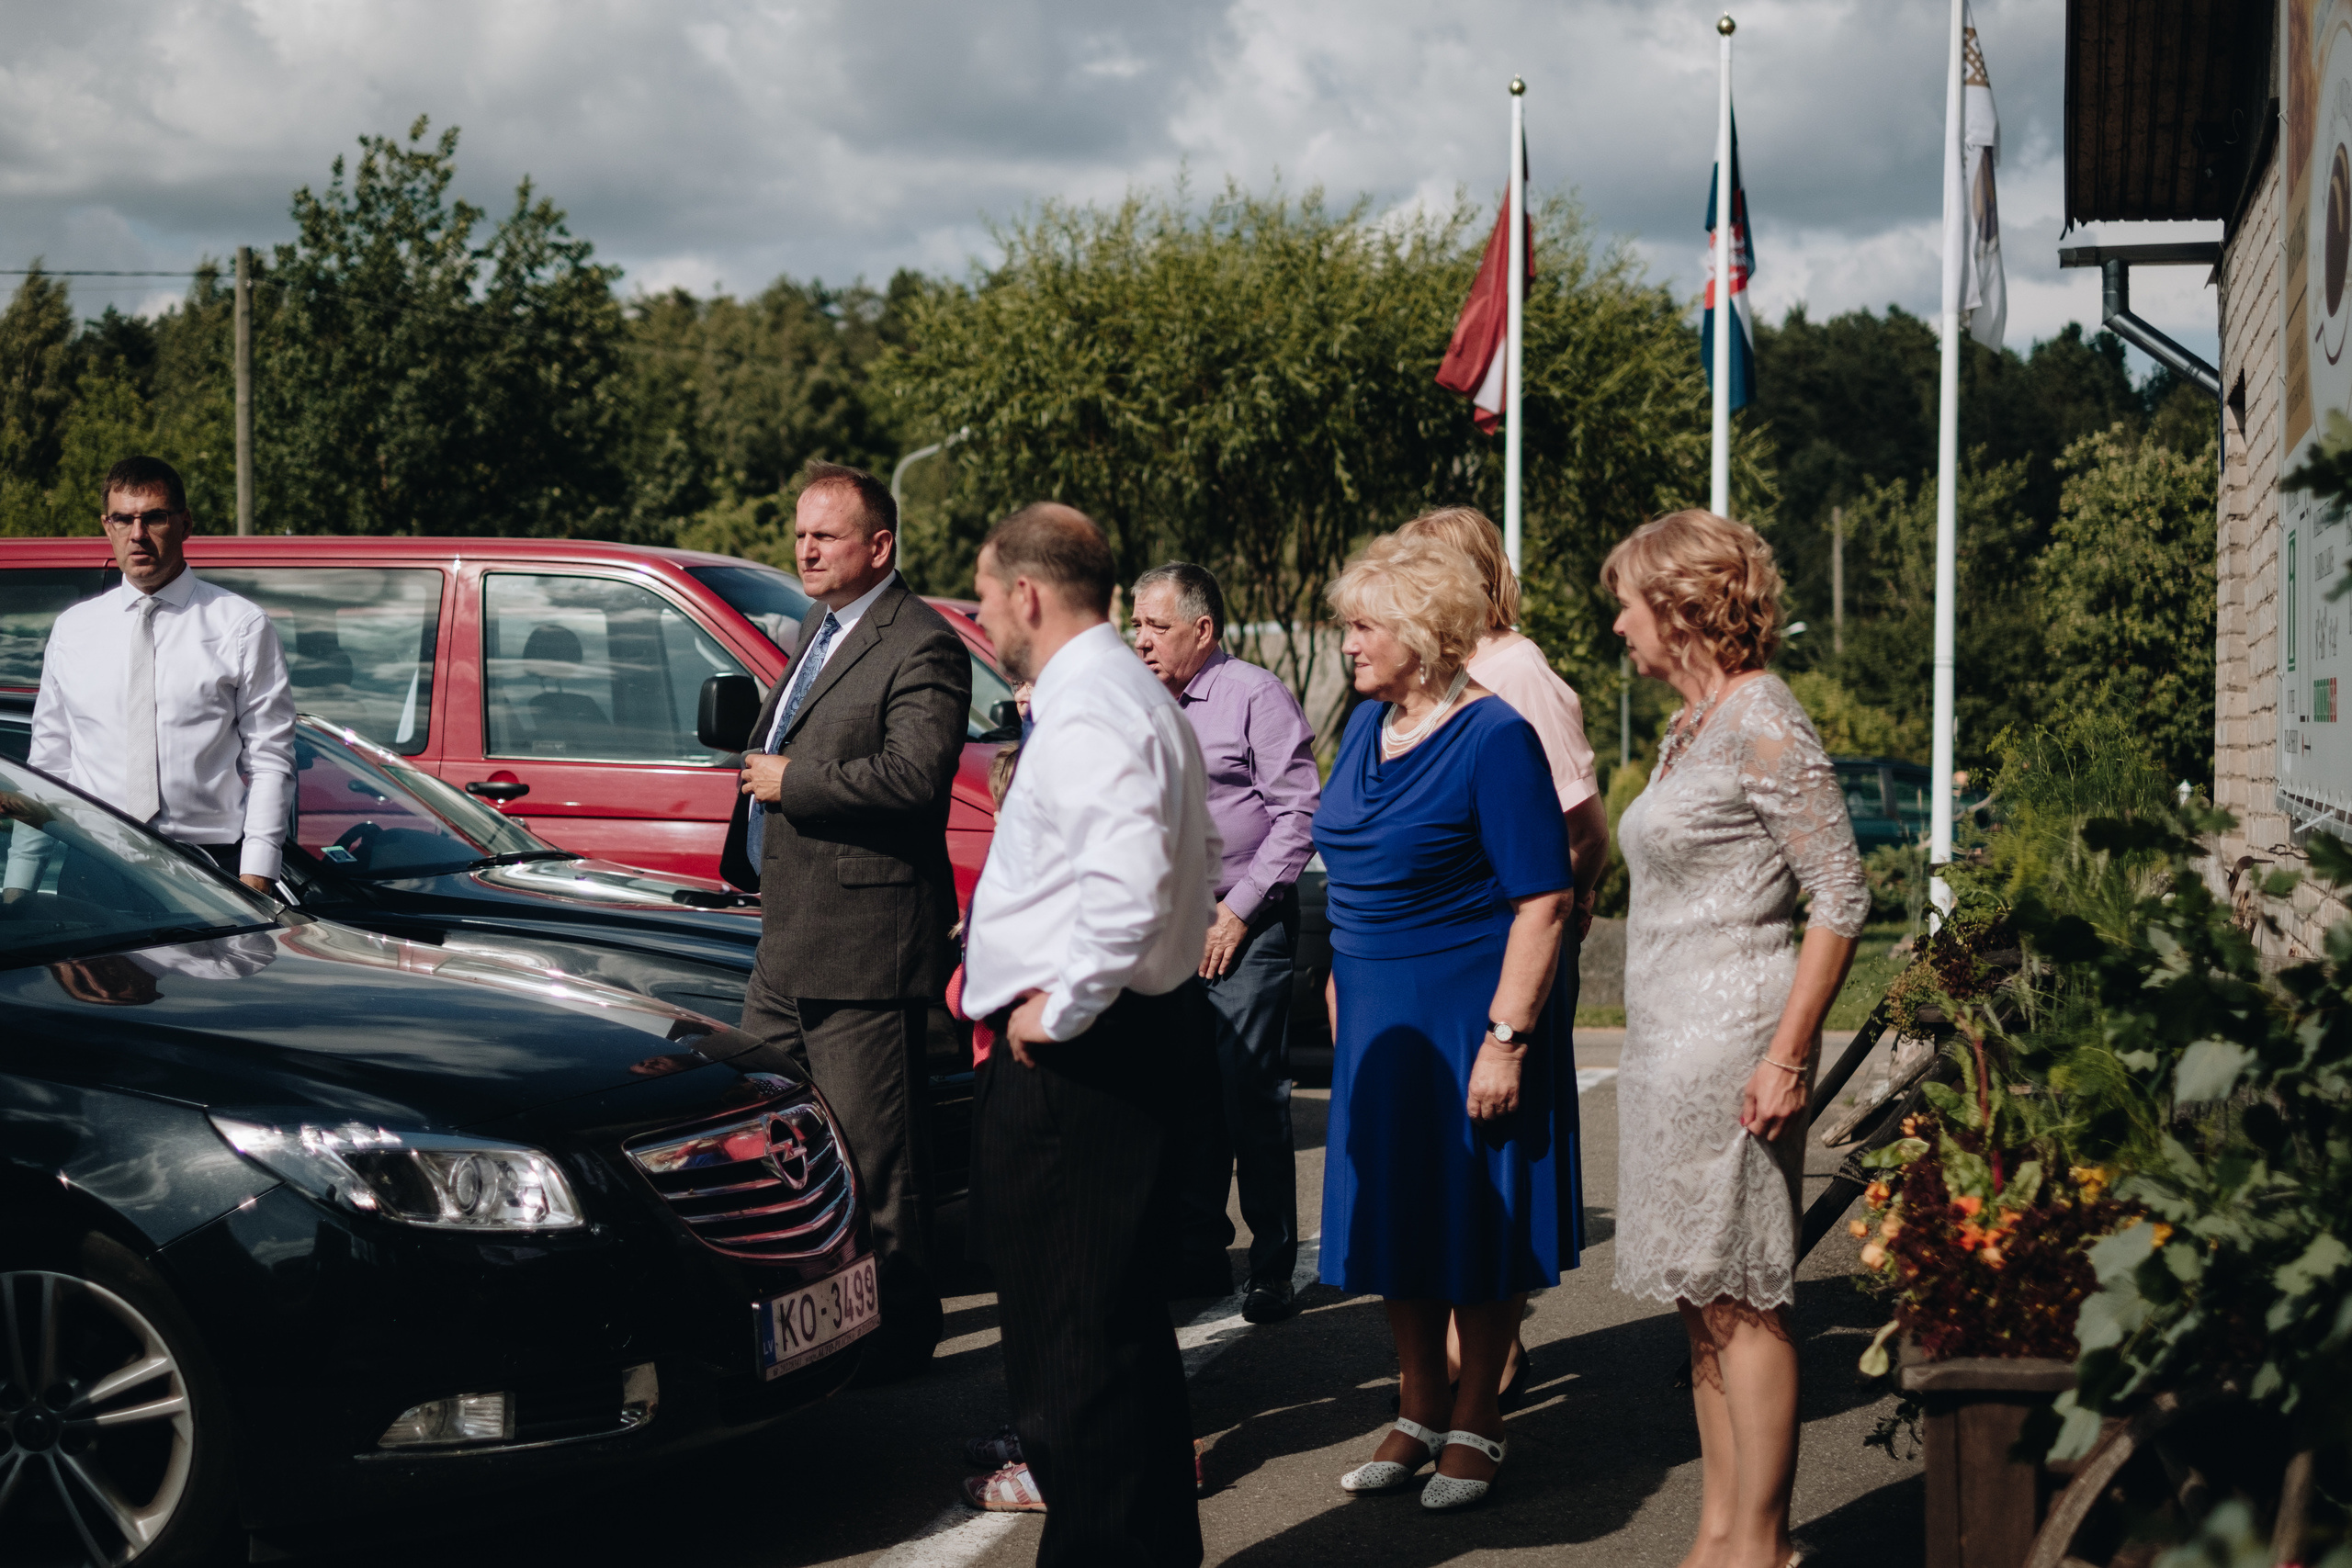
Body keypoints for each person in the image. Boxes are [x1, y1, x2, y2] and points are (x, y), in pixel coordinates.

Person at [1604, 510, 1866, 1568]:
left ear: (1680, 604)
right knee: (1700, 1302)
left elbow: (1841, 893)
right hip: (1670, 1045)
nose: (1618, 625)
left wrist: (1788, 1055)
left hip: (1735, 1047)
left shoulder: (1762, 714)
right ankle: (1716, 1532)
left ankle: (1761, 1546)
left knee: (1748, 1298)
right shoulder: (1690, 725)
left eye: (1627, 603)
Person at [962, 503, 1220, 1567]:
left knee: (1073, 1364)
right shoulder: (1122, 692)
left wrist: (1054, 1008)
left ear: (1027, 592)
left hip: (1081, 1064)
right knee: (1117, 1343)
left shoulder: (1089, 708)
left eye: (982, 594)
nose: (982, 615)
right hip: (1121, 1046)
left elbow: (1126, 888)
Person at [1314, 531, 1577, 1513]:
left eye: (1362, 626)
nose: (1347, 644)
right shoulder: (1363, 727)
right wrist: (1338, 988)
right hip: (1378, 1018)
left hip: (1468, 1010)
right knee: (1394, 1216)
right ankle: (1416, 1403)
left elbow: (1542, 901)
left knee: (1474, 1217)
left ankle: (1478, 1414)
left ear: (1422, 635)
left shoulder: (1495, 735)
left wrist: (1505, 1038)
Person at [718, 459, 973, 1378]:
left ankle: (901, 1337)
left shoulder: (920, 642)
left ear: (879, 545)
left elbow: (914, 780)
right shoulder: (819, 631)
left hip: (865, 948)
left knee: (874, 1156)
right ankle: (810, 1319)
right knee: (766, 1141)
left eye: (825, 535)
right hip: (784, 942)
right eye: (799, 534)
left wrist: (797, 783)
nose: (805, 548)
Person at [1397, 503, 1606, 1404]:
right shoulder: (1433, 674)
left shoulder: (1514, 670)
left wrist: (1558, 907)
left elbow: (1581, 823)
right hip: (1437, 957)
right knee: (1444, 1164)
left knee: (1496, 1155)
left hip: (1502, 952)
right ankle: (1455, 1349)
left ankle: (1493, 1351)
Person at [1130, 561, 1320, 1322]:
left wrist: (1237, 912)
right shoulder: (1141, 702)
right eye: (1136, 625)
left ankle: (1273, 1263)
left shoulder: (1254, 695)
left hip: (1245, 923)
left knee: (1250, 1098)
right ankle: (1199, 1252)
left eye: (1157, 627)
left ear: (1202, 631)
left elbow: (1298, 815)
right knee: (1183, 1095)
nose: (1141, 641)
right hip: (1166, 929)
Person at [18, 456, 291, 897]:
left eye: (154, 518)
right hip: (93, 867)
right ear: (107, 527)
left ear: (185, 525)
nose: (137, 534)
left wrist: (257, 875)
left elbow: (270, 759)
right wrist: (20, 885)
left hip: (207, 870)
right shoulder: (74, 629)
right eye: (123, 520)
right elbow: (50, 766)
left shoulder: (240, 625)